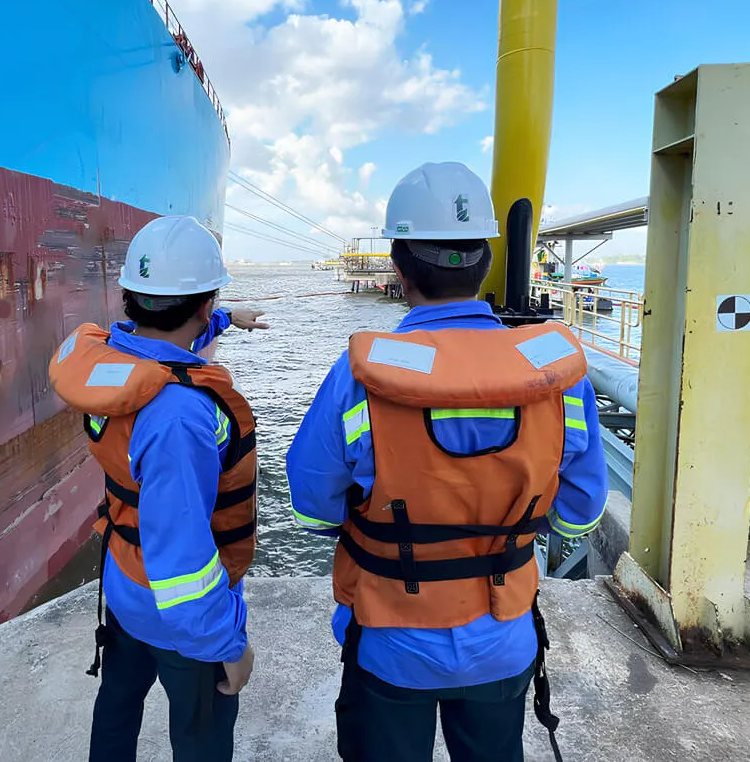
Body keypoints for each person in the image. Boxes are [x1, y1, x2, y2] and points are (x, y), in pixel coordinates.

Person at [286, 162, 608, 762]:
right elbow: (581, 508)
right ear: (486, 259)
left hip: (388, 640)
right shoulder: (558, 378)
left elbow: (310, 502)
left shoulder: (360, 377)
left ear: (399, 267)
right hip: (504, 636)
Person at [49, 215, 266, 762]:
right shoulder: (180, 418)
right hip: (180, 619)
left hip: (124, 586)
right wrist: (227, 646)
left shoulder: (117, 357)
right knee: (201, 739)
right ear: (201, 305)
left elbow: (163, 343)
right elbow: (182, 560)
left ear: (130, 297)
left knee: (116, 713)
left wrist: (225, 320)